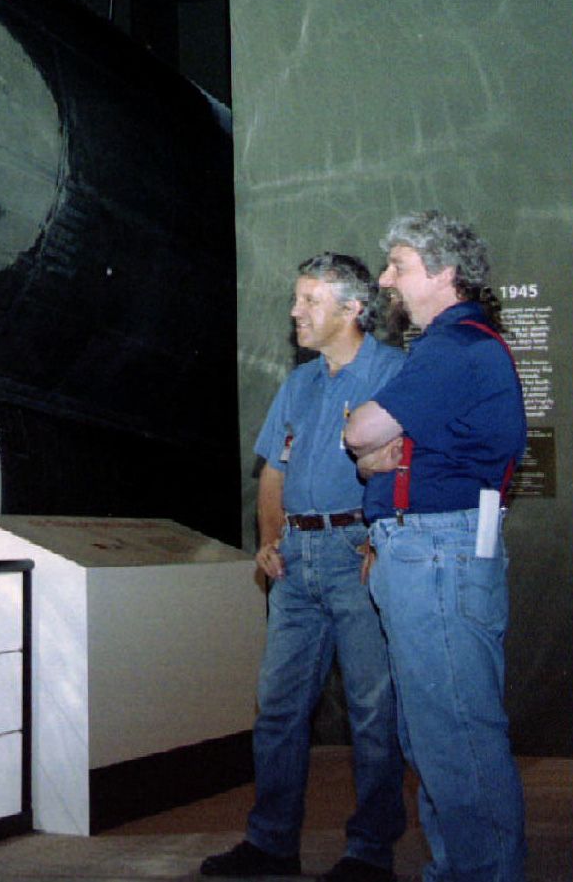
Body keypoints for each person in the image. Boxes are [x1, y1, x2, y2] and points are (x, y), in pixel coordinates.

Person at [201, 254, 407, 881]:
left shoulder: (395, 373)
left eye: (309, 300)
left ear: (352, 309)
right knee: (279, 709)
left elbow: (406, 465)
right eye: (296, 299)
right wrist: (269, 541)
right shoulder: (300, 383)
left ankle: (370, 853)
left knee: (374, 713)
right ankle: (271, 845)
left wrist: (383, 539)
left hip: (357, 559)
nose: (295, 311)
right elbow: (274, 469)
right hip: (295, 564)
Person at [345, 212, 527, 882]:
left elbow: (362, 429)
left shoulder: (456, 346)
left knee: (454, 734)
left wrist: (373, 449)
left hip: (437, 552)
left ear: (443, 272)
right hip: (427, 551)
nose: (385, 278)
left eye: (397, 264)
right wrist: (374, 456)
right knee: (432, 733)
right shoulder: (449, 346)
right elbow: (367, 449)